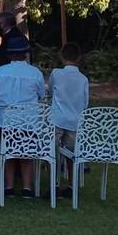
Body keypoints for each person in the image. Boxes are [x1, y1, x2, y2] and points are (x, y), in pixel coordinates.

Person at [0, 34, 46, 199]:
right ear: (26, 53)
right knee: (26, 154)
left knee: (8, 153)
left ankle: (9, 186)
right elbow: (42, 94)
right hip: (29, 121)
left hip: (6, 121)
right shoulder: (35, 73)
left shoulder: (0, 72)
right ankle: (27, 187)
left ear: (9, 54)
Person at [50, 43, 88, 196]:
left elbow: (51, 89)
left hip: (58, 118)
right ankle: (72, 185)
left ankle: (54, 183)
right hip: (75, 120)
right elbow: (85, 101)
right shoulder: (83, 79)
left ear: (61, 56)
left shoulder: (56, 74)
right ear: (79, 58)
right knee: (71, 153)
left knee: (52, 151)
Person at [0, 12, 29, 84]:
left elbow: (4, 60)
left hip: (8, 80)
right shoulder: (15, 36)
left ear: (2, 24)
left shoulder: (13, 39)